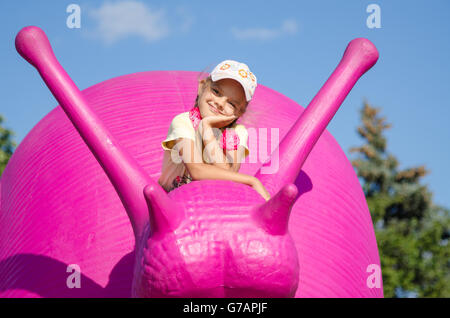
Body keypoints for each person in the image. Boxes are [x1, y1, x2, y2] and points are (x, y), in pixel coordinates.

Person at [158, 60, 271, 201]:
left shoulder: (237, 132)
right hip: (170, 200)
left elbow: (228, 173)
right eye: (216, 91)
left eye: (231, 103)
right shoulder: (183, 122)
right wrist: (252, 181)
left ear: (240, 112)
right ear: (201, 87)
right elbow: (196, 170)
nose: (220, 103)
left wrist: (207, 130)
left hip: (208, 201)